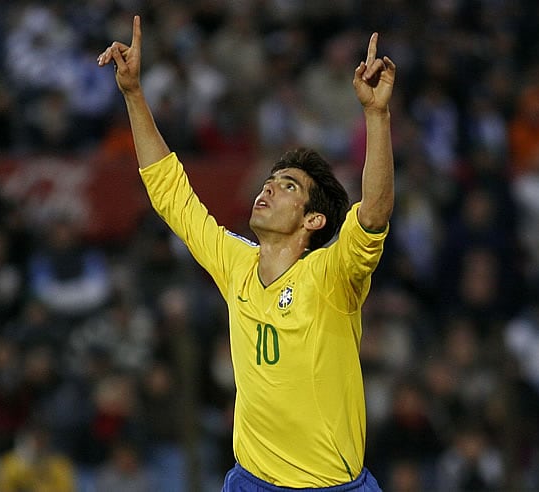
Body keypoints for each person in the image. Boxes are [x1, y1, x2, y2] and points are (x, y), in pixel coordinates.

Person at [98, 15, 396, 491]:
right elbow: (169, 192)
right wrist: (134, 93)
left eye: (288, 186)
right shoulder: (236, 261)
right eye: (270, 181)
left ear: (313, 220)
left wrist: (376, 116)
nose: (269, 190)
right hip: (251, 482)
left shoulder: (333, 275)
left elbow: (374, 215)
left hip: (331, 486)